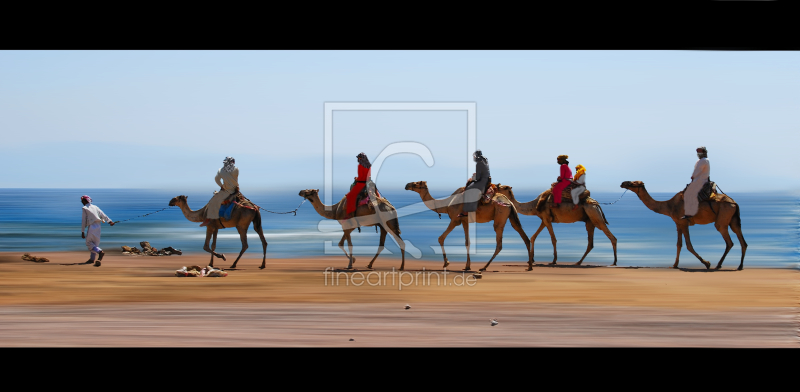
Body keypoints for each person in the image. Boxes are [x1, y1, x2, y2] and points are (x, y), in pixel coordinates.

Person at [201, 157, 239, 227]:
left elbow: (216, 179)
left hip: (226, 191)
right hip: (235, 190)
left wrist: (221, 186)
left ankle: (208, 220)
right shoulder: (236, 170)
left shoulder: (220, 170)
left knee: (212, 202)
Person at [80, 195, 114, 267]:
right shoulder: (95, 207)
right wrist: (110, 221)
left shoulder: (84, 208)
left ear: (84, 201)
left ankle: (100, 252)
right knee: (95, 243)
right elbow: (102, 214)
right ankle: (92, 259)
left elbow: (83, 220)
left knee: (89, 243)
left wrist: (82, 231)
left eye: (82, 201)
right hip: (98, 226)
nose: (81, 202)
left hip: (92, 226)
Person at [458, 150, 490, 219]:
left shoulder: (479, 163)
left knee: (468, 189)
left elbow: (478, 178)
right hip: (485, 179)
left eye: (474, 156)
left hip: (482, 181)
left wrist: (473, 178)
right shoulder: (484, 161)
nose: (474, 157)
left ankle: (468, 211)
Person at [682, 146, 710, 219]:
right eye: (698, 152)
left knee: (688, 194)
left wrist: (693, 176)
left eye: (700, 152)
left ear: (704, 152)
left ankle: (690, 213)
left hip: (700, 181)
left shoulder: (703, 160)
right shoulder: (701, 160)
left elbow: (698, 170)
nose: (698, 153)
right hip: (698, 180)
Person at [344, 152, 372, 219]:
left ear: (361, 159)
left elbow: (361, 177)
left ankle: (350, 214)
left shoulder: (360, 166)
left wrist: (356, 178)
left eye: (359, 158)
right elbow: (368, 176)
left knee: (350, 196)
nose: (358, 159)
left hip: (361, 183)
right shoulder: (369, 166)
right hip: (368, 183)